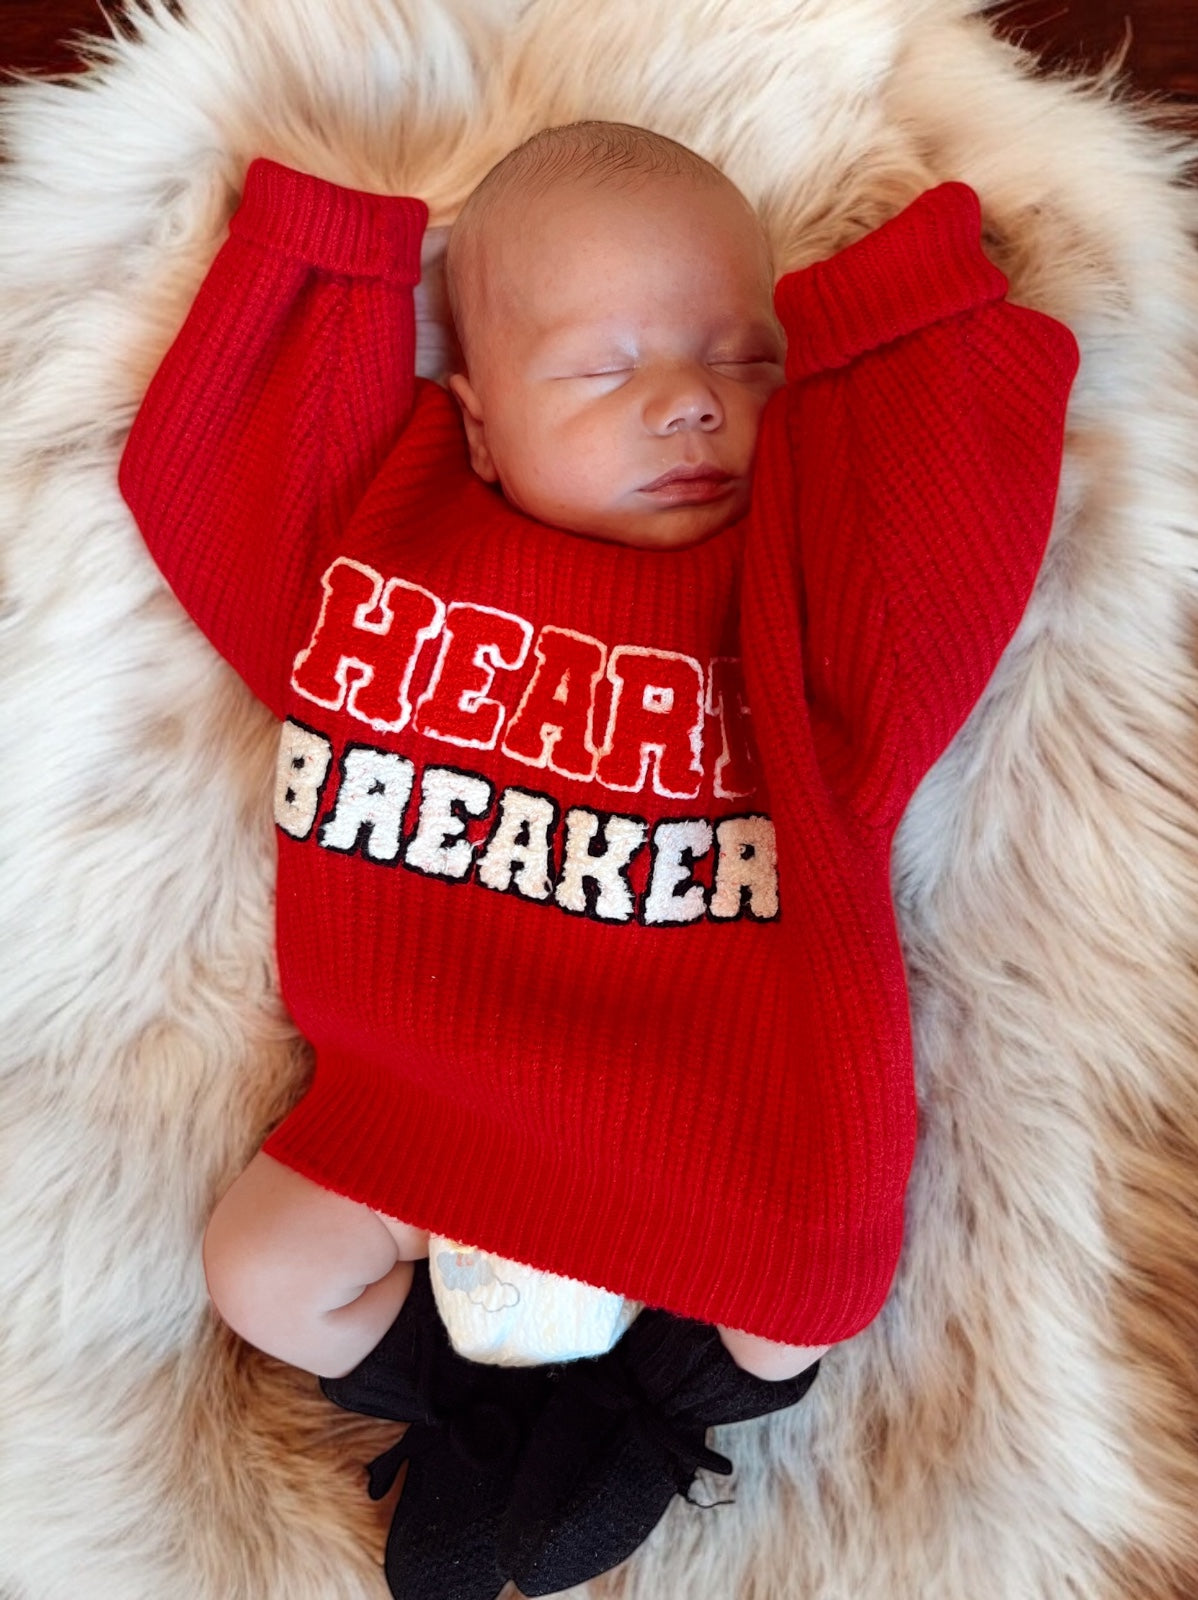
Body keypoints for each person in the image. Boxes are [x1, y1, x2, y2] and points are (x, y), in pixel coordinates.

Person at [118, 120, 1077, 1555]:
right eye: (604, 367)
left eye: (742, 359)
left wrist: (907, 324)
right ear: (480, 423)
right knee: (259, 1270)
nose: (690, 404)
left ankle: (650, 1419)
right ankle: (461, 1415)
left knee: (801, 1304)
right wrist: (318, 265)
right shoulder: (392, 552)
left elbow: (939, 556)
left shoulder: (804, 594)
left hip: (724, 1116)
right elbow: (222, 487)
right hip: (428, 1095)